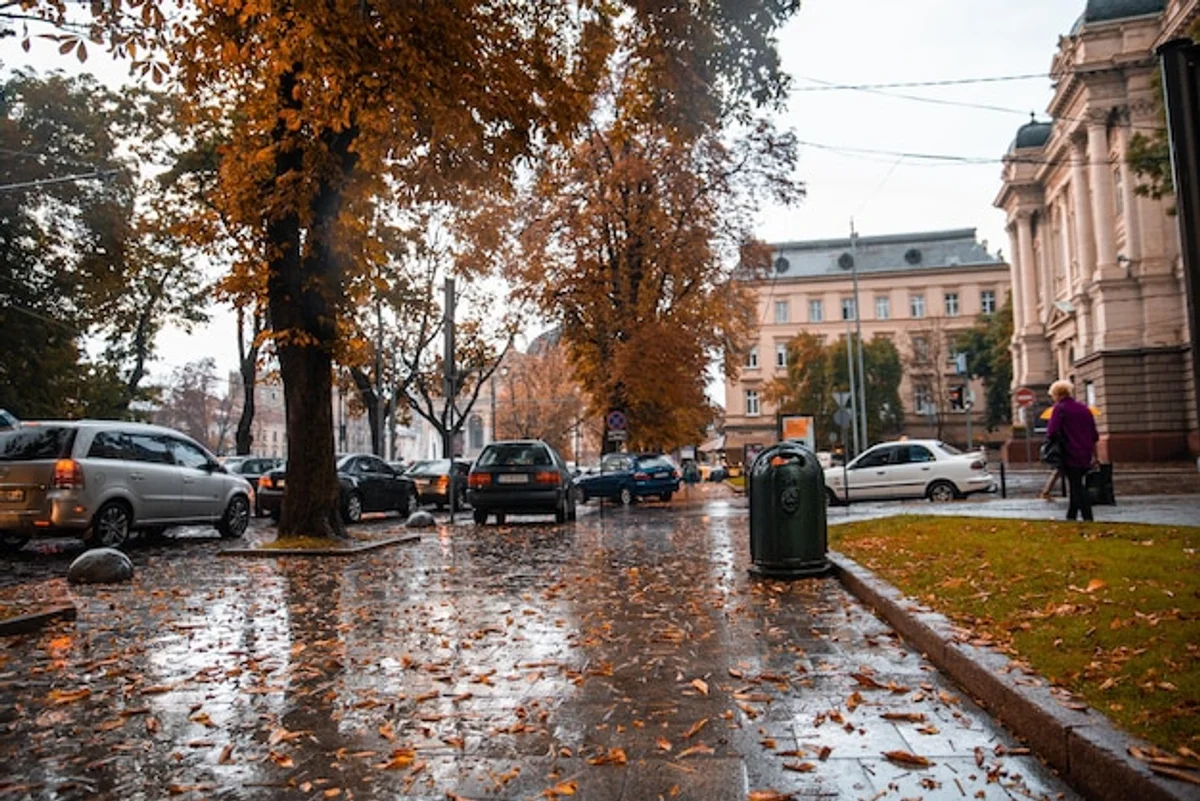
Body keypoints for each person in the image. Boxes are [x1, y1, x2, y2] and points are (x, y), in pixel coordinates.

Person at [1044, 379, 1099, 521]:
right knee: (1076, 482)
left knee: (1076, 485)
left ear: (1057, 394)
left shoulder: (1060, 408)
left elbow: (1052, 431)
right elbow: (1094, 434)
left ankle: (1088, 516)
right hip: (1085, 451)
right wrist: (1095, 455)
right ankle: (1071, 516)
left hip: (1068, 452)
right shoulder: (1084, 409)